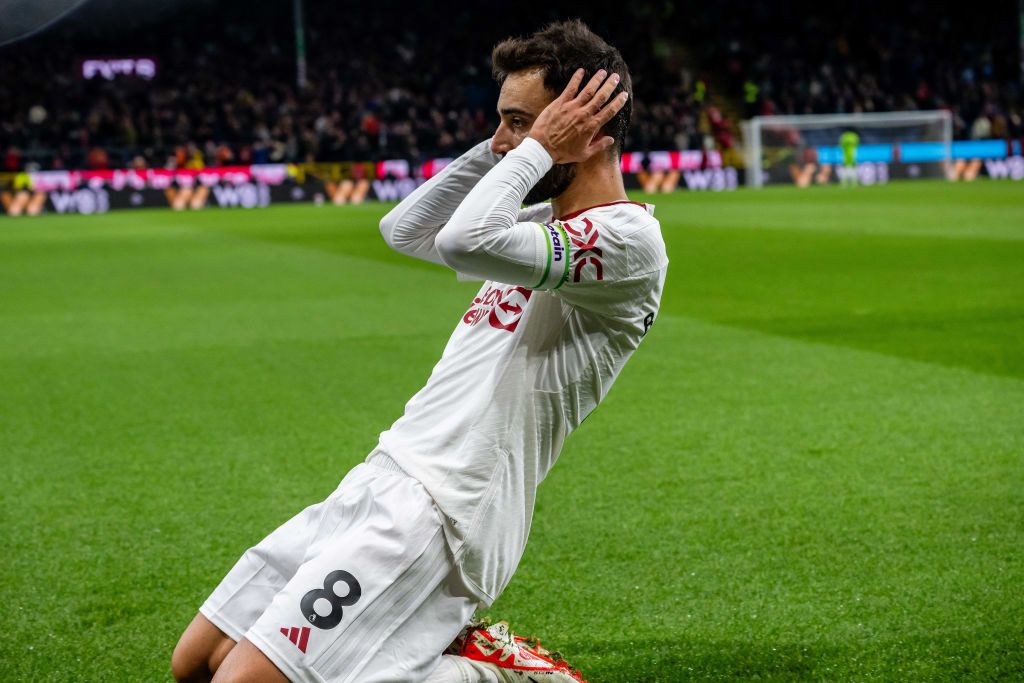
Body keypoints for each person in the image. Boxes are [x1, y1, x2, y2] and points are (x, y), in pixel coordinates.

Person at [171, 19, 667, 683]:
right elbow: (404, 230)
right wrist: (515, 144)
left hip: (447, 511)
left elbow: (464, 240)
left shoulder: (629, 243)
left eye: (519, 122)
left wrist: (537, 146)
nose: (501, 144)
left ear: (590, 126)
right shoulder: (532, 227)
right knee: (197, 663)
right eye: (503, 123)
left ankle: (496, 676)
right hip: (384, 475)